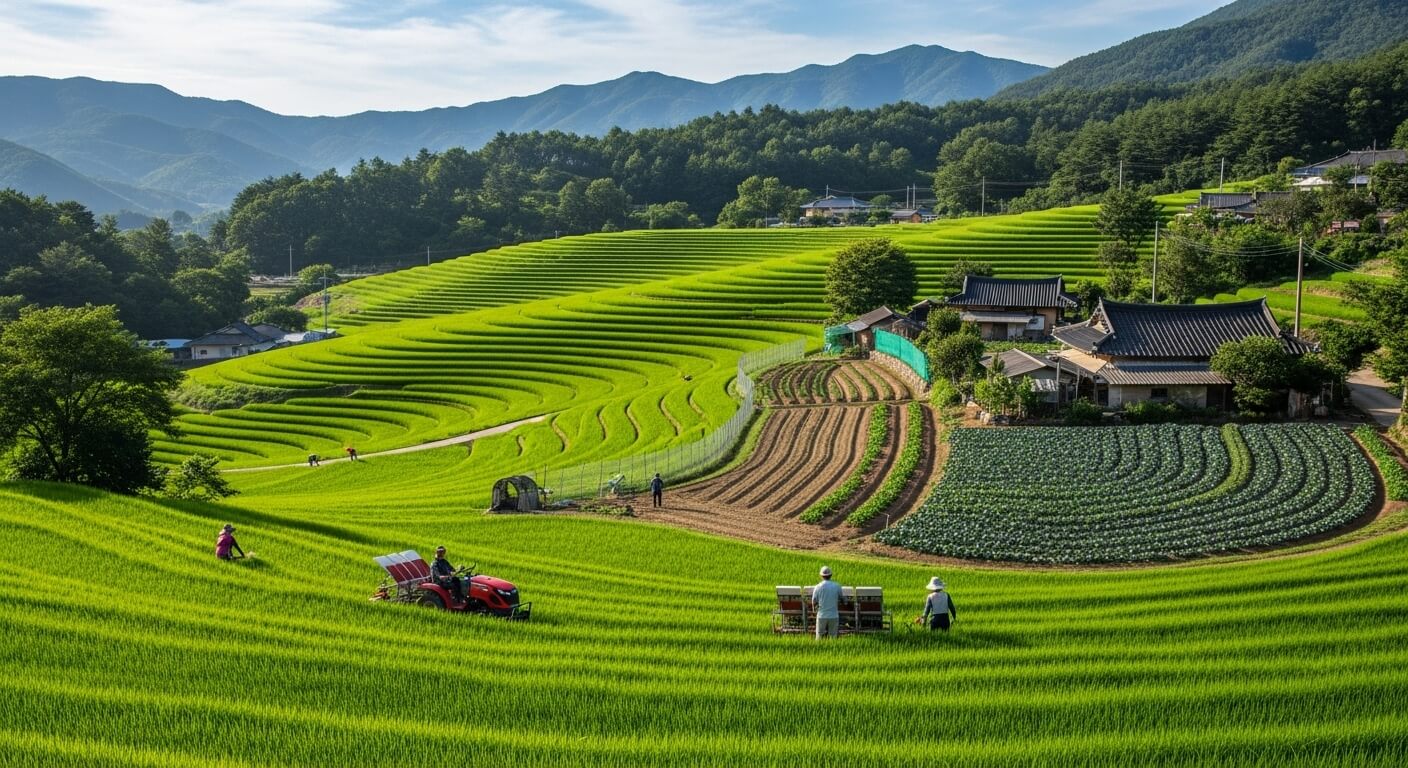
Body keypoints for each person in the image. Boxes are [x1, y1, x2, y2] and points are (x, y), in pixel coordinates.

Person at [811, 565, 842, 640]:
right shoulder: (837, 586)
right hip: (833, 615)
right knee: (833, 637)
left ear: (821, 576)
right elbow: (842, 599)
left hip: (822, 615)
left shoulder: (818, 587)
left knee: (819, 636)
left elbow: (814, 601)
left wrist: (814, 610)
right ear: (831, 575)